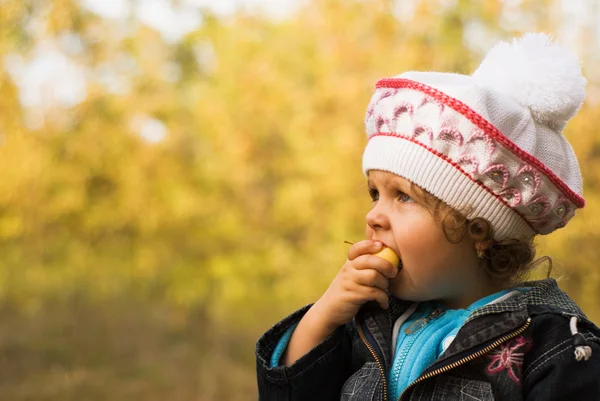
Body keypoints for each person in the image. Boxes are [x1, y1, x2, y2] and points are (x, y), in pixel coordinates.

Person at [255, 33, 600, 400]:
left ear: (480, 229)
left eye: (403, 196)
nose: (374, 216)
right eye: (375, 194)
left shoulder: (556, 350)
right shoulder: (366, 320)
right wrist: (322, 317)